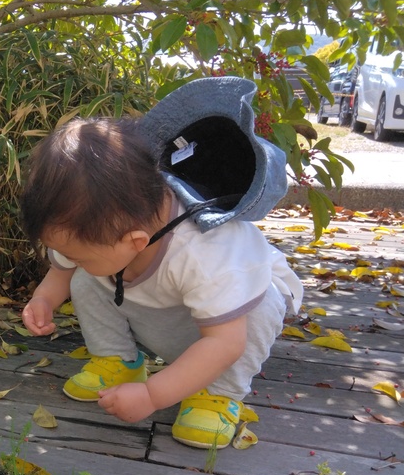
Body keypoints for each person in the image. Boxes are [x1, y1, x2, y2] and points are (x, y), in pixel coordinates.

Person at [20, 77, 303, 450]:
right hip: (172, 310)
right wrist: (44, 299)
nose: (67, 259)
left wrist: (153, 396)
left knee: (261, 306)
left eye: (75, 252)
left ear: (135, 242)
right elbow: (62, 268)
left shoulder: (205, 252)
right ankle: (118, 360)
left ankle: (217, 394)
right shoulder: (102, 224)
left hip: (228, 326)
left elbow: (225, 342)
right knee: (86, 276)